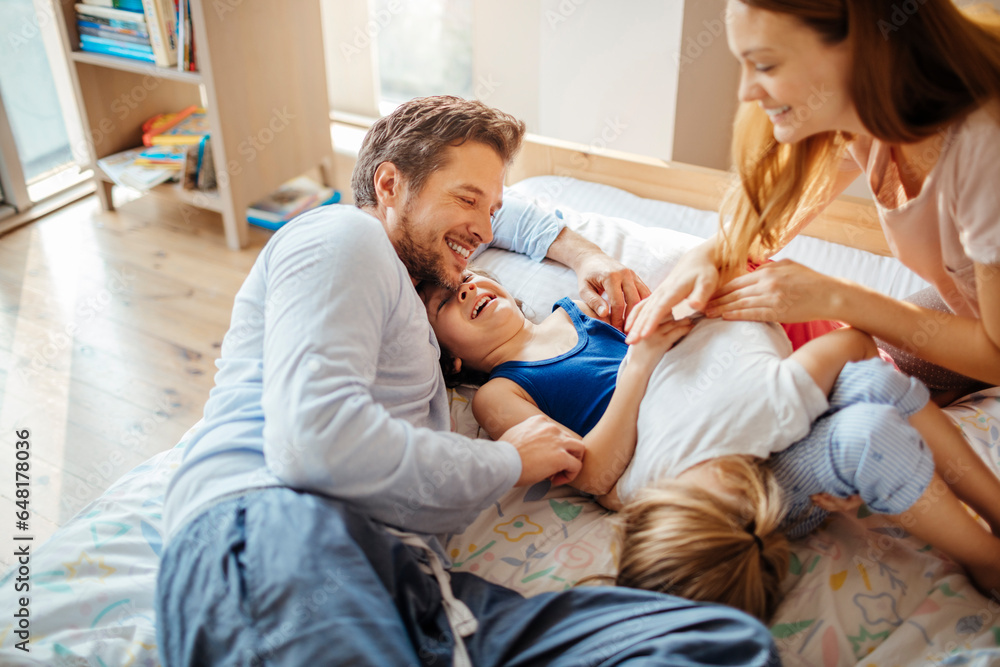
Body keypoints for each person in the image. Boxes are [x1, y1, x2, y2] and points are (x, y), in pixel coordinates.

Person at [154, 96, 778, 666]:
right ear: (389, 184)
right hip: (282, 532)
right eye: (468, 199)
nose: (484, 232)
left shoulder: (429, 299)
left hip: (418, 583)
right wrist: (506, 461)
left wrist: (590, 258)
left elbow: (515, 217)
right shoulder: (343, 235)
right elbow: (314, 445)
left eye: (492, 210)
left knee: (722, 646)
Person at [420, 268, 1000, 619]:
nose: (466, 287)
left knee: (872, 380)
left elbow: (678, 347)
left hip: (728, 407)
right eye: (445, 301)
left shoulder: (577, 312)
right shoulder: (498, 391)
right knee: (868, 431)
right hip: (703, 476)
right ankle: (986, 561)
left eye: (468, 275)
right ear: (450, 354)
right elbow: (593, 472)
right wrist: (639, 366)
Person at [626, 0, 1000, 404]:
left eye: (765, 65)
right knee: (860, 374)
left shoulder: (984, 146)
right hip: (978, 317)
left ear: (861, 47)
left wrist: (837, 296)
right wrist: (711, 253)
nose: (745, 91)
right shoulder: (862, 115)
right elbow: (768, 229)